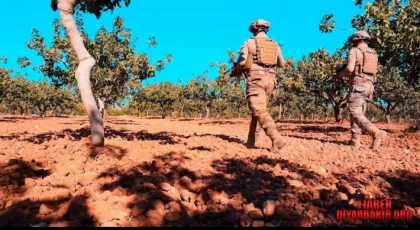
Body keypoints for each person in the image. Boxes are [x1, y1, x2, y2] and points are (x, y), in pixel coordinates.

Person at [232, 19, 286, 153]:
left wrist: (237, 68)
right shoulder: (275, 44)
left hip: (256, 78)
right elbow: (282, 64)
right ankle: (251, 141)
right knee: (259, 111)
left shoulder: (249, 42)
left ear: (254, 29)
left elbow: (242, 61)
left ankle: (276, 138)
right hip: (271, 80)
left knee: (258, 110)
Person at [334, 31, 387, 150]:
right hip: (369, 86)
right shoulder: (373, 53)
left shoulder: (355, 51)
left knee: (354, 112)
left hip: (358, 84)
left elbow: (349, 69)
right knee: (358, 113)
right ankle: (355, 141)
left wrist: (339, 75)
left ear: (355, 40)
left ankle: (376, 132)